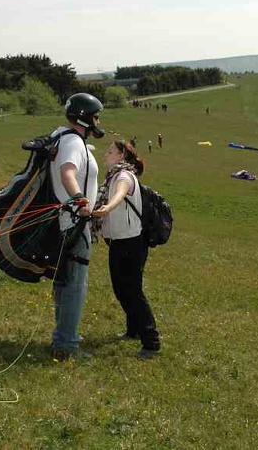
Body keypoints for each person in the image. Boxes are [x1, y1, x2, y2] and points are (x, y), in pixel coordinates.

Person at [93, 140, 161, 359]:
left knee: (132, 290)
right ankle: (133, 330)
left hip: (132, 242)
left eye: (111, 151)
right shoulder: (111, 177)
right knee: (121, 288)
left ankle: (151, 342)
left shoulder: (125, 176)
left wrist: (108, 207)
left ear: (122, 156)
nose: (106, 154)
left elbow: (120, 194)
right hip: (118, 241)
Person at [49, 93, 104, 361]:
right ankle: (66, 344)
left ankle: (63, 335)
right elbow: (68, 172)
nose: (98, 120)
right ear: (85, 116)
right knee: (75, 285)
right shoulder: (72, 142)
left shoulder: (67, 139)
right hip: (74, 222)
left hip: (66, 221)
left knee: (65, 282)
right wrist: (80, 200)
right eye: (96, 115)